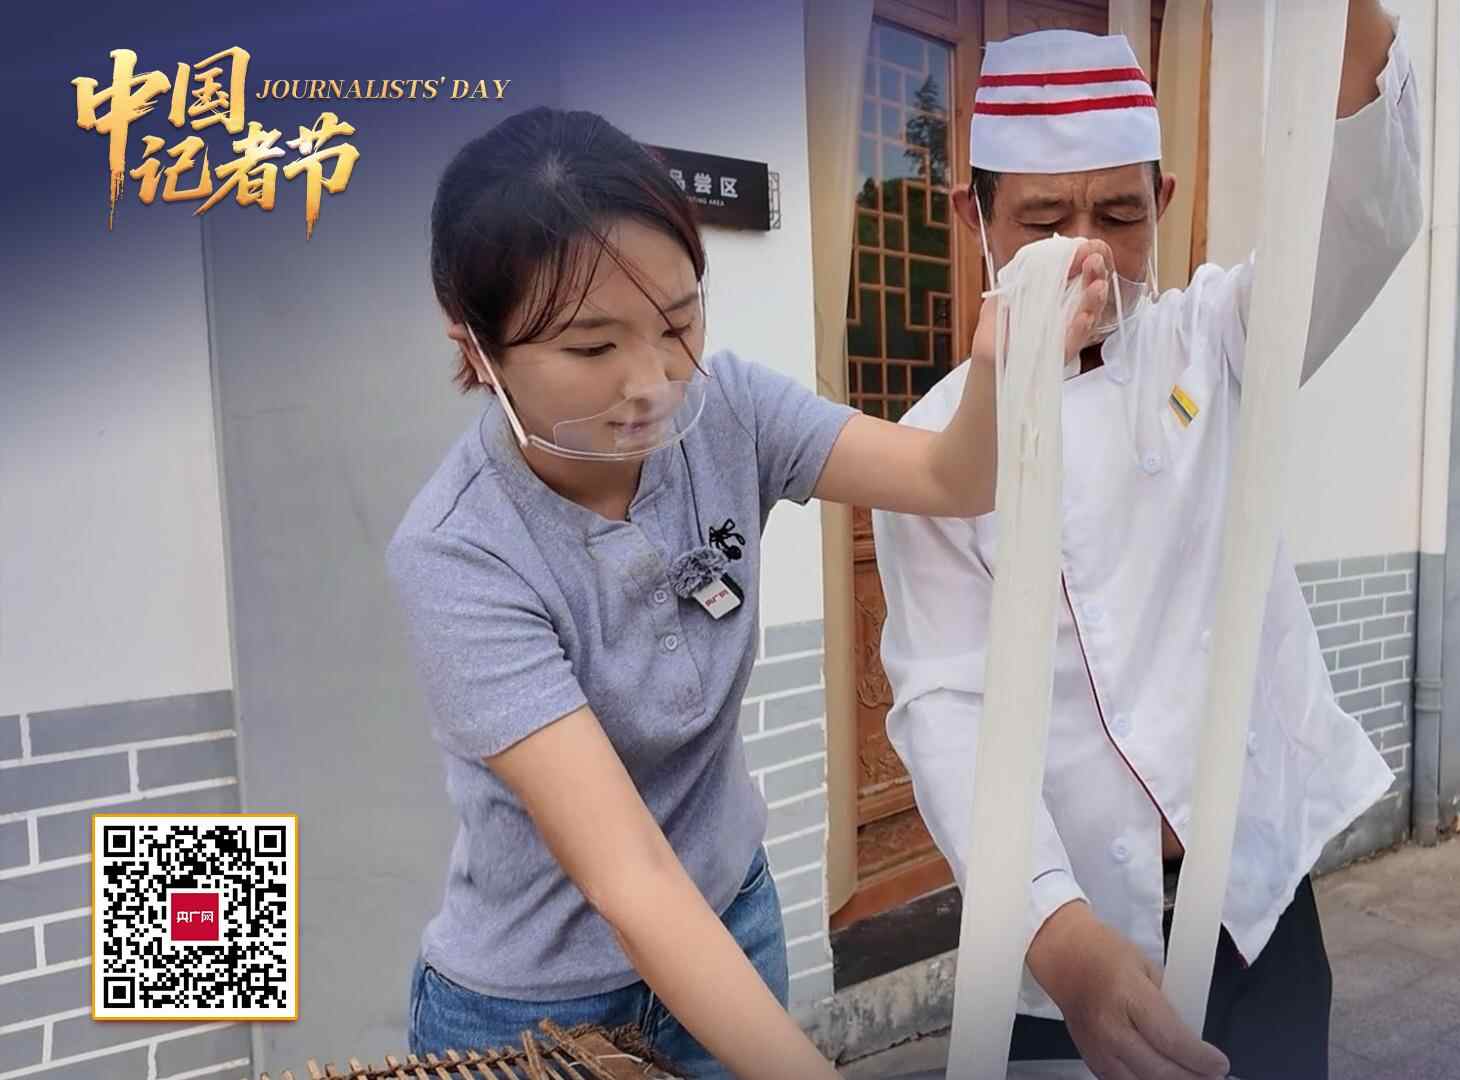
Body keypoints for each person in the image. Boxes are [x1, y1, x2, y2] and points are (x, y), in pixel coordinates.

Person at [385, 106, 1108, 1079]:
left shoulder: (728, 408)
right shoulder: (459, 550)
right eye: (593, 349)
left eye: (678, 322)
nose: (652, 382)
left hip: (731, 924)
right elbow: (630, 877)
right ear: (476, 346)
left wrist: (999, 367)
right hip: (532, 1009)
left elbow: (951, 479)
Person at [871, 6, 1423, 1079]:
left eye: (1120, 213)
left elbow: (1361, 216)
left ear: (1162, 203)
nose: (1086, 253)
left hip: (1253, 906)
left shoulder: (1211, 342)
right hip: (1066, 931)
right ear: (973, 216)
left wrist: (1347, 23)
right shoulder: (933, 445)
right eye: (1042, 221)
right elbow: (944, 706)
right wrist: (1055, 930)